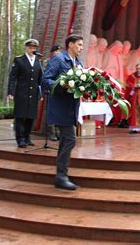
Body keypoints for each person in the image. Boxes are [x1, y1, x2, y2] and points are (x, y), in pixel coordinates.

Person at [42, 35, 84, 190]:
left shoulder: (79, 63)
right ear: (70, 44)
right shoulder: (59, 59)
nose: (81, 47)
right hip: (60, 108)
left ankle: (61, 174)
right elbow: (46, 80)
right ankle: (61, 176)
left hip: (72, 109)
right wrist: (62, 85)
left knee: (66, 141)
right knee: (70, 140)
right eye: (79, 44)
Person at [8, 39, 43, 148]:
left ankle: (27, 138)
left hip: (34, 93)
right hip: (21, 93)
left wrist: (41, 93)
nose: (33, 49)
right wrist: (11, 91)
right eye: (30, 47)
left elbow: (40, 79)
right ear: (26, 48)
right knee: (20, 116)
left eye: (34, 48)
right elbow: (13, 78)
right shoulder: (19, 60)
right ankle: (20, 139)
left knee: (30, 117)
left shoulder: (38, 61)